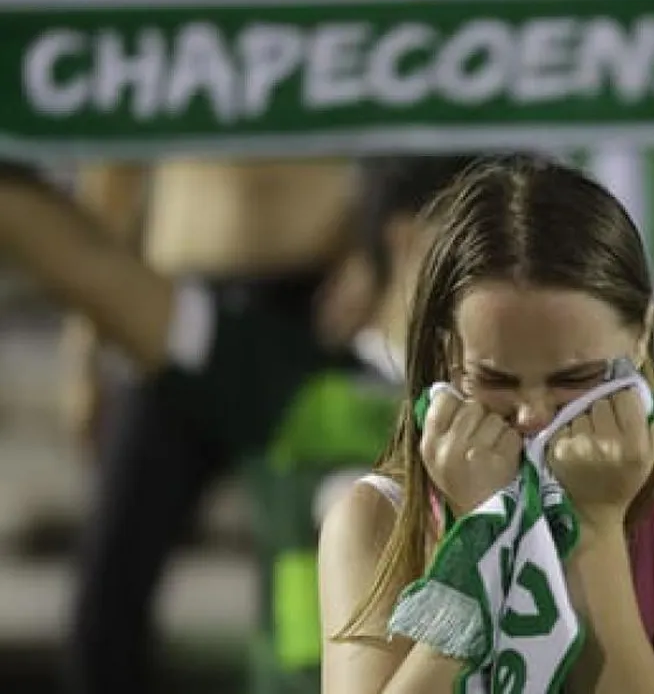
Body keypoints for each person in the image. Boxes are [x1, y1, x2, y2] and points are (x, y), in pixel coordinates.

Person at [317, 154, 654, 694]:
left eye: (575, 377)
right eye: (495, 379)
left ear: (642, 337)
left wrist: (594, 535)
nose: (533, 415)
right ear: (445, 355)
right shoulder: (374, 521)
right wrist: (474, 551)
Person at [0, 154, 482, 694]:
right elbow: (89, 271)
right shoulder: (283, 374)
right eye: (481, 252)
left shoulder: (527, 406)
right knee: (106, 606)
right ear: (407, 241)